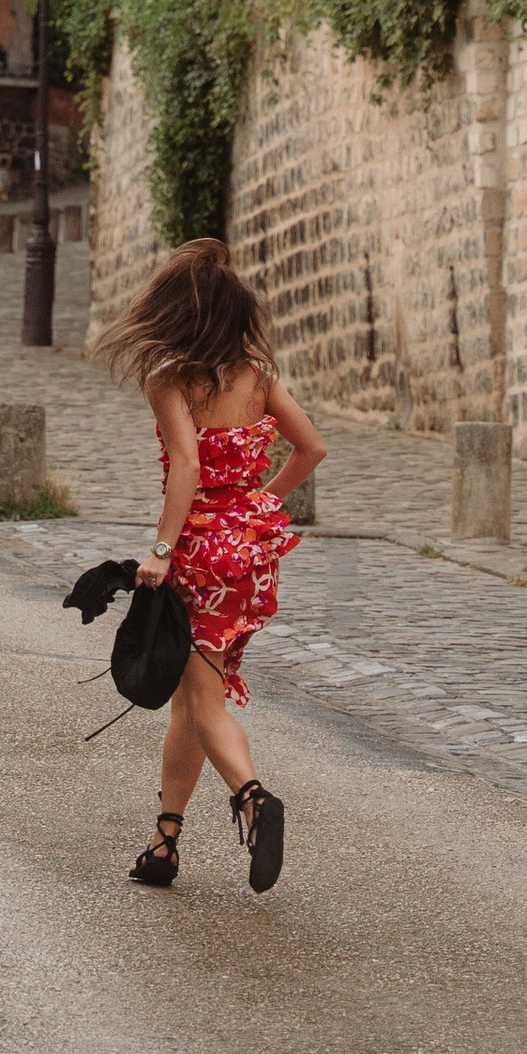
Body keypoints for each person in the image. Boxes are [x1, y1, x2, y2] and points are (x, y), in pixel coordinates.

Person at [94, 236, 325, 894]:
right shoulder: (258, 378)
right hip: (249, 555)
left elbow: (188, 466)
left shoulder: (168, 381)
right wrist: (257, 508)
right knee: (191, 701)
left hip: (199, 554)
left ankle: (254, 799)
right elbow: (311, 448)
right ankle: (164, 844)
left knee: (202, 702)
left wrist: (162, 550)